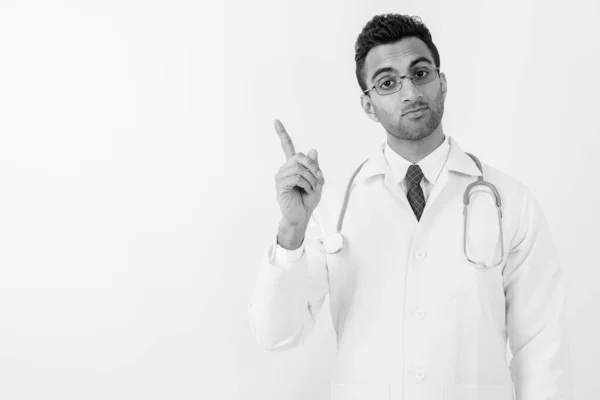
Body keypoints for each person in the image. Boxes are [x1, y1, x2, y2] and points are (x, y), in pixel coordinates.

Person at [247, 13, 572, 400]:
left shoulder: (511, 201)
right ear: (368, 105)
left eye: (420, 73)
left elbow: (541, 347)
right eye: (388, 82)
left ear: (442, 82)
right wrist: (292, 229)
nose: (410, 92)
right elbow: (278, 334)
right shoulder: (331, 206)